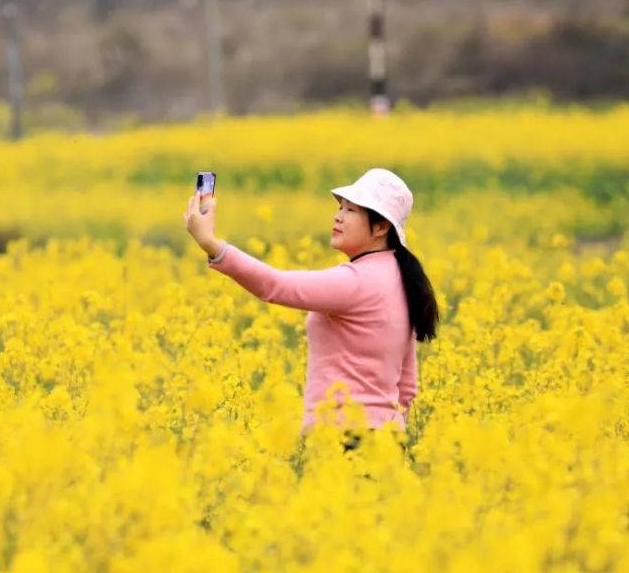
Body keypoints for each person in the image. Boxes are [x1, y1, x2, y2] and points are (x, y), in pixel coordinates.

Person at [183, 168, 439, 452]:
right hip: (386, 442)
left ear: (381, 227)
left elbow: (275, 286)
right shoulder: (402, 280)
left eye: (351, 210)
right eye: (340, 207)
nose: (338, 216)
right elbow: (407, 385)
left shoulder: (358, 282)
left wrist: (211, 245)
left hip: (344, 438)